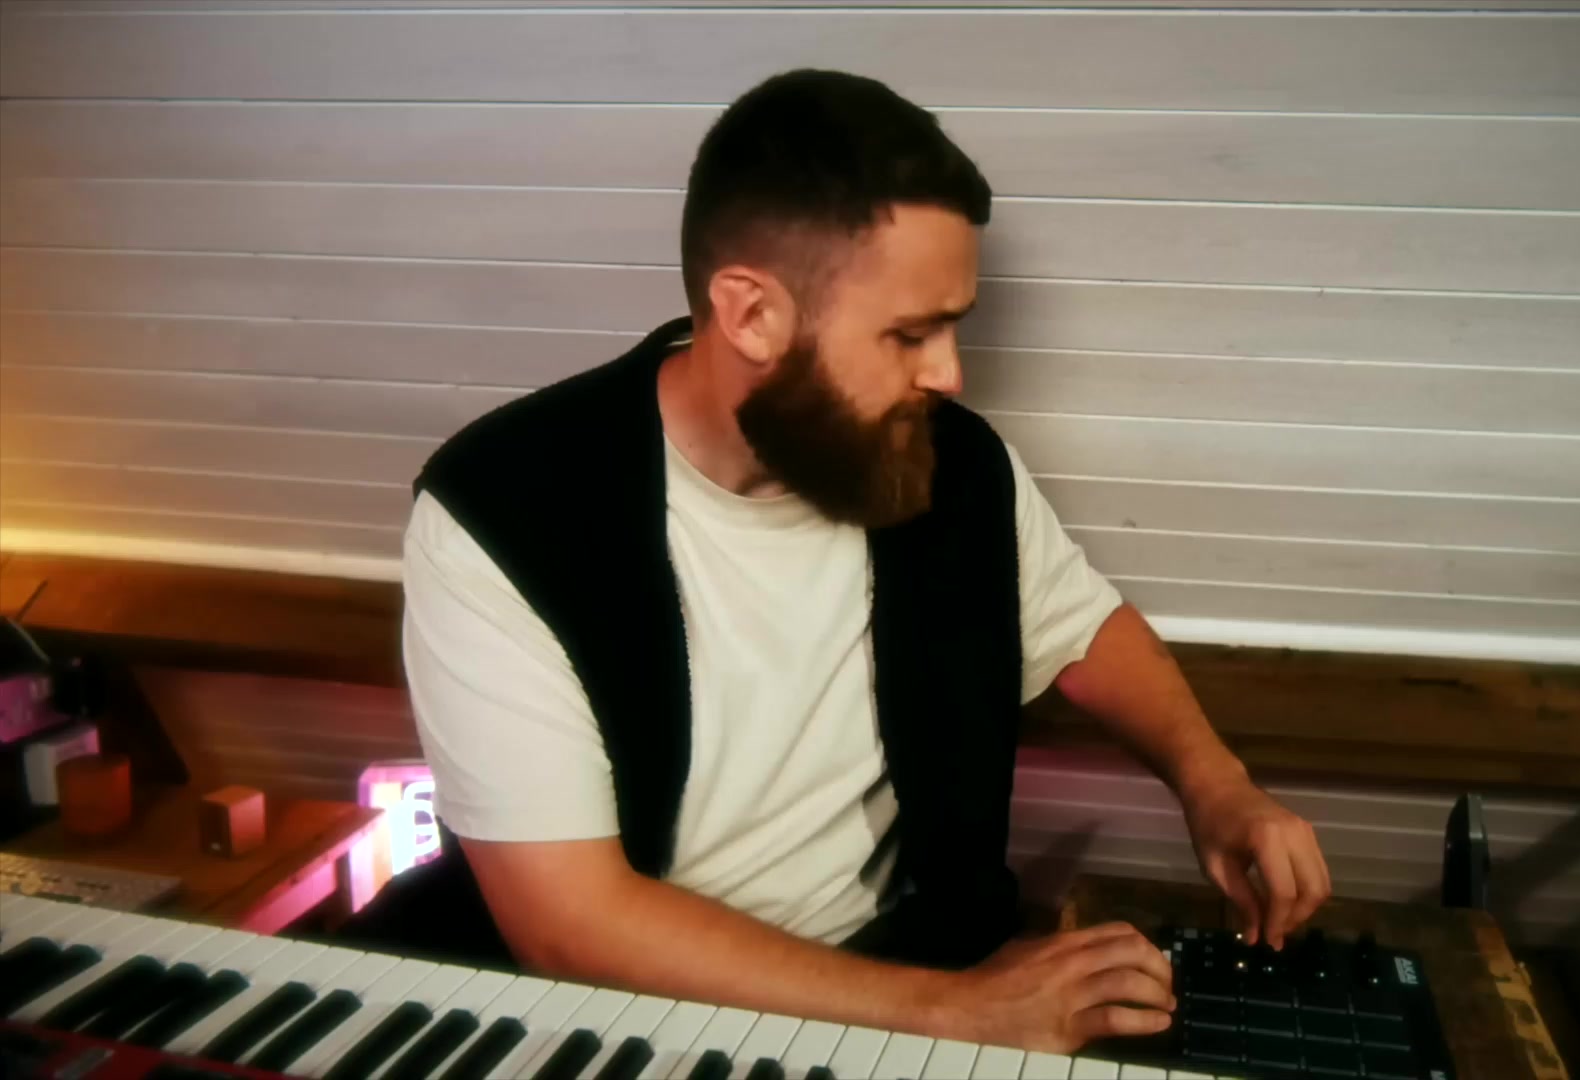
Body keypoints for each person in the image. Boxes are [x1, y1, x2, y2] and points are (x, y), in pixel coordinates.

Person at [399, 67, 1330, 1055]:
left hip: (907, 972)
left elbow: (1082, 630)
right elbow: (567, 925)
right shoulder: (503, 511)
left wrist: (1214, 784)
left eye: (954, 326)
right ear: (751, 315)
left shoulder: (951, 462)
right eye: (909, 334)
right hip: (636, 1024)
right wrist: (958, 1012)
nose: (949, 372)